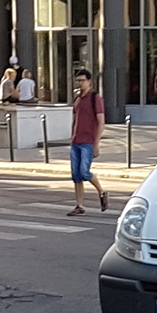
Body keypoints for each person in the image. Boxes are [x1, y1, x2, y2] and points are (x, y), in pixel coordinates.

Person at [67, 68, 107, 215]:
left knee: (84, 172)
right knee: (76, 175)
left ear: (89, 81)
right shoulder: (77, 98)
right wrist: (72, 136)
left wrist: (96, 143)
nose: (80, 83)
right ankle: (79, 205)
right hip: (76, 140)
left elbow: (101, 121)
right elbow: (74, 119)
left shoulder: (95, 97)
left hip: (88, 141)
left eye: (82, 80)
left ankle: (102, 192)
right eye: (78, 81)